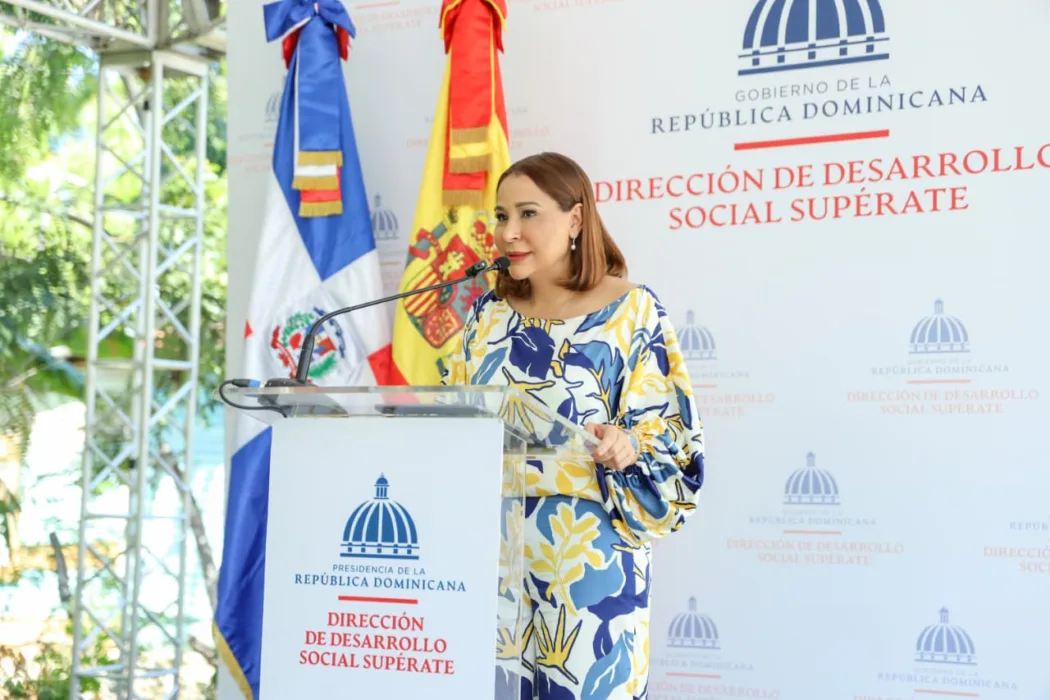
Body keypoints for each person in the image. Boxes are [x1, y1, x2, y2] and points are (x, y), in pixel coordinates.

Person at [441, 152, 705, 699]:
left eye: (528, 214)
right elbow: (450, 421)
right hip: (489, 563)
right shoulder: (486, 316)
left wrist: (627, 445)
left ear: (577, 220)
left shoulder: (632, 311)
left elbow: (674, 439)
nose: (508, 232)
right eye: (500, 215)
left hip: (589, 570)